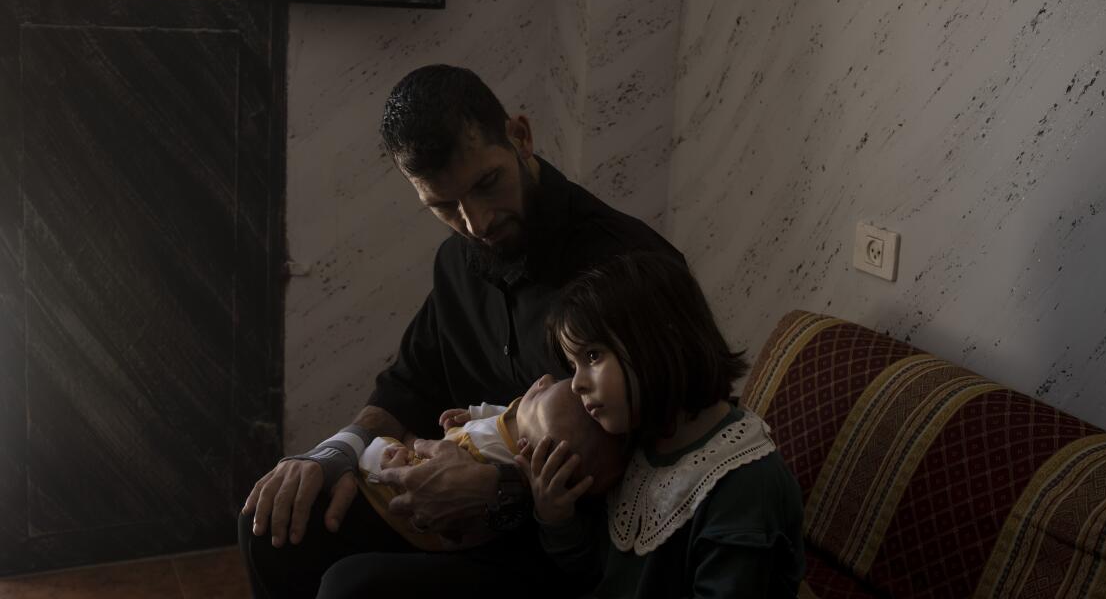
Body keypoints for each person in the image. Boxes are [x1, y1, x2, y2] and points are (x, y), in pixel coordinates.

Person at [238, 64, 680, 598]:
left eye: (487, 183)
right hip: (465, 523)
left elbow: (659, 462)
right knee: (275, 526)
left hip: (571, 547)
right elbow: (410, 383)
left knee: (352, 588)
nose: (477, 223)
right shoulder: (459, 261)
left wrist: (501, 493)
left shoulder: (629, 265)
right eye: (444, 206)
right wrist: (335, 452)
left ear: (520, 136)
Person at [518, 252, 807, 598]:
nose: (577, 384)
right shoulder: (633, 440)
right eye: (572, 364)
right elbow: (599, 574)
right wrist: (557, 518)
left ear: (659, 340)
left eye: (592, 356)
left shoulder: (744, 485)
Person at [357, 374, 627, 551]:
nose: (542, 380)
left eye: (539, 396)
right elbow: (502, 413)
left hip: (409, 503)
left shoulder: (499, 456)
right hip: (427, 459)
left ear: (531, 451)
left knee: (381, 450)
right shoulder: (519, 417)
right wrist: (470, 415)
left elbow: (442, 486)